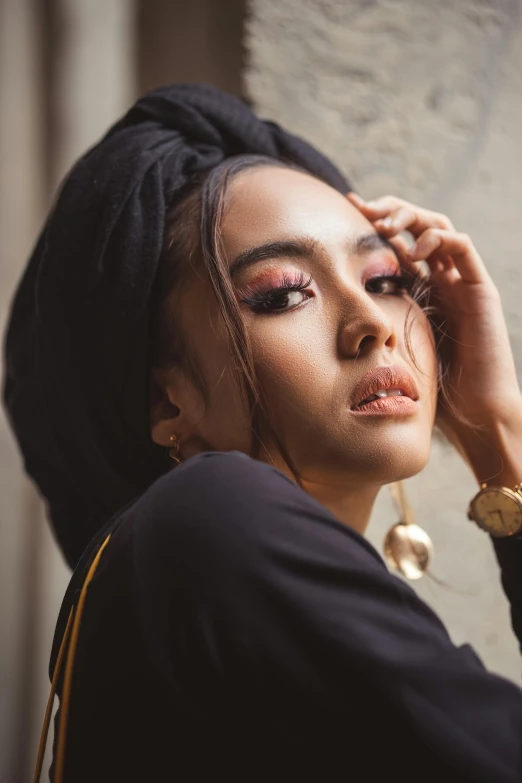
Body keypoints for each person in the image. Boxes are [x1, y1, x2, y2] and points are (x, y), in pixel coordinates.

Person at [4, 84, 522, 782]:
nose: (370, 319)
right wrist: (502, 435)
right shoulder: (213, 514)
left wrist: (496, 432)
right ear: (168, 399)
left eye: (387, 278)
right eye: (283, 294)